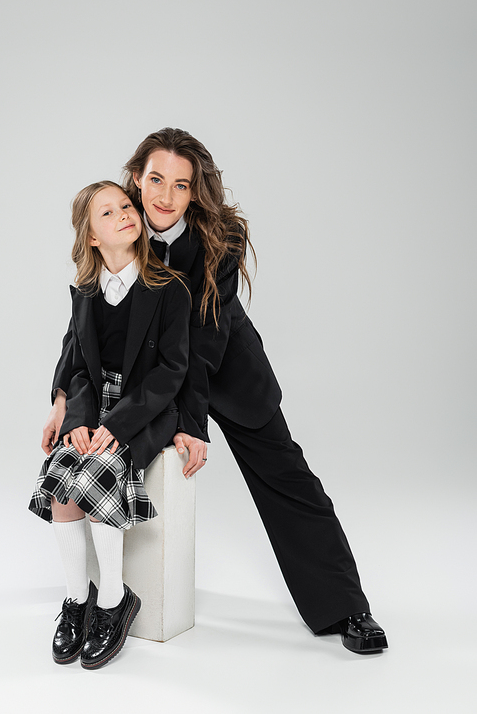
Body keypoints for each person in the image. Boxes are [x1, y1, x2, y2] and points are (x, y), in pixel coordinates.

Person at [43, 129, 388, 654]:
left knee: (286, 474)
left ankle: (347, 608)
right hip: (148, 376)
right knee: (88, 468)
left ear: (194, 192)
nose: (164, 197)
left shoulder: (216, 243)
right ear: (136, 177)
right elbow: (84, 317)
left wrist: (191, 425)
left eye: (180, 186)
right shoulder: (116, 218)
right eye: (155, 180)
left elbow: (204, 343)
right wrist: (62, 400)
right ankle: (101, 598)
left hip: (222, 367)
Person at [30, 180, 198, 669]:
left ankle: (111, 602)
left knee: (102, 470)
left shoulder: (169, 289)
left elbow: (172, 372)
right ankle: (76, 600)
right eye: (108, 213)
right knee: (63, 478)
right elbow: (80, 366)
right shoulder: (85, 293)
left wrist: (118, 426)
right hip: (94, 405)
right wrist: (77, 419)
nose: (125, 213)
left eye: (126, 206)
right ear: (92, 238)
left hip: (144, 411)